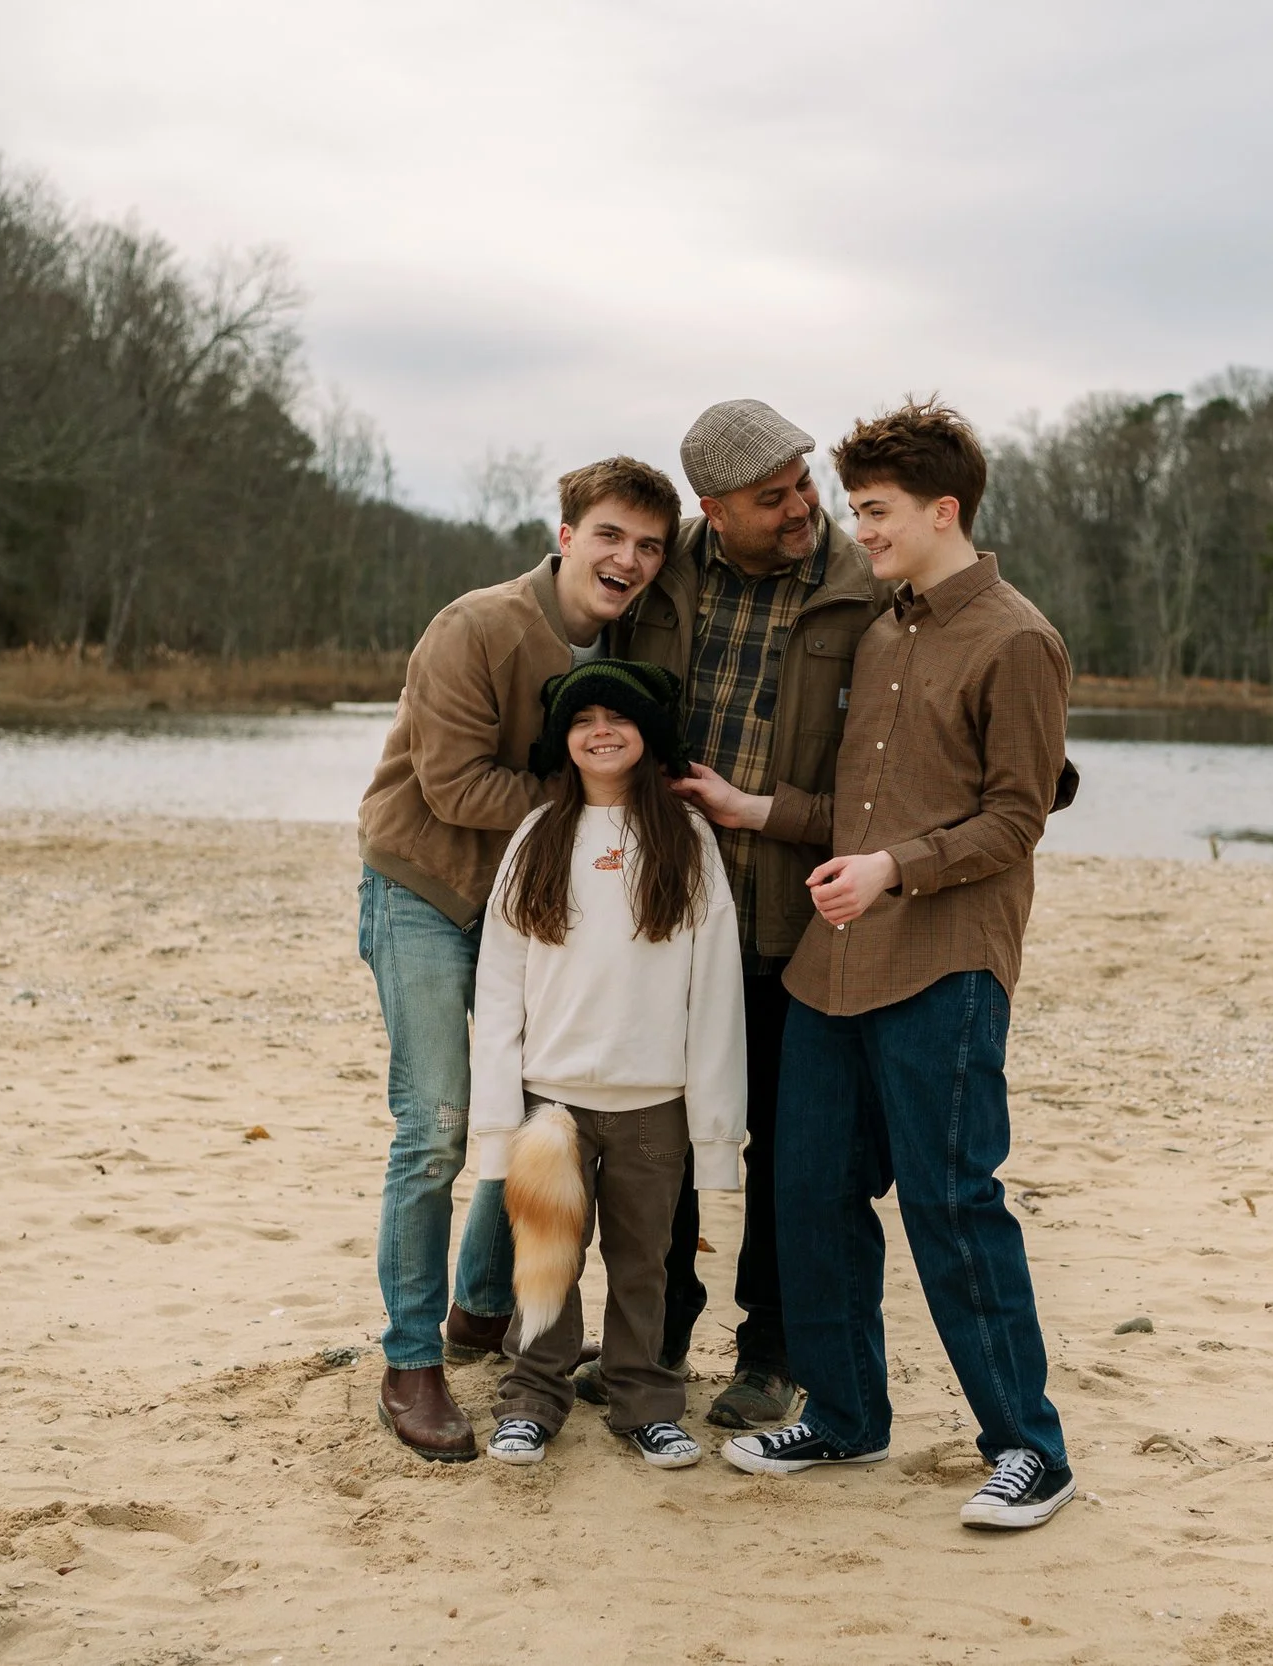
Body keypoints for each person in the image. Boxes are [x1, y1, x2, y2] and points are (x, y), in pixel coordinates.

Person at [694, 401, 1079, 1530]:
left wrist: (893, 872)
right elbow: (852, 806)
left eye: (873, 511)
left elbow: (1016, 819)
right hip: (834, 964)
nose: (854, 529)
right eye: (854, 508)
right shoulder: (880, 629)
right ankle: (847, 1416)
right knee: (808, 1189)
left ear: (942, 512)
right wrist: (747, 805)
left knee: (953, 1202)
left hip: (946, 962)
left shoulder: (1020, 640)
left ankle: (1028, 1451)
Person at [353, 457, 676, 1461]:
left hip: (529, 905)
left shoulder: (621, 644)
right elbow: (451, 787)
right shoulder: (477, 626)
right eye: (612, 535)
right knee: (441, 1126)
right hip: (426, 887)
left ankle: (482, 1311)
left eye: (651, 547)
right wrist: (584, 805)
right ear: (567, 531)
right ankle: (411, 1362)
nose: (628, 559)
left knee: (531, 1116)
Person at [591, 398, 886, 1431]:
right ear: (713, 510)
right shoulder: (656, 575)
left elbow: (890, 779)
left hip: (794, 912)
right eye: (775, 497)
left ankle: (769, 1351)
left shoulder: (863, 590)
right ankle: (656, 1333)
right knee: (652, 1130)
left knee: (782, 1141)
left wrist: (771, 815)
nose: (804, 505)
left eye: (803, 483)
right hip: (661, 907)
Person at [470, 660, 747, 1469]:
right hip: (549, 1099)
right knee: (547, 1261)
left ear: (646, 737)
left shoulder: (685, 840)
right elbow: (500, 982)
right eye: (583, 718)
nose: (601, 730)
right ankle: (533, 1397)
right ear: (564, 738)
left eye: (618, 718)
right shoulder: (537, 836)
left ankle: (643, 1400)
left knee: (642, 1265)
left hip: (654, 1100)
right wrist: (497, 1120)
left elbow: (715, 988)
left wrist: (715, 1130)